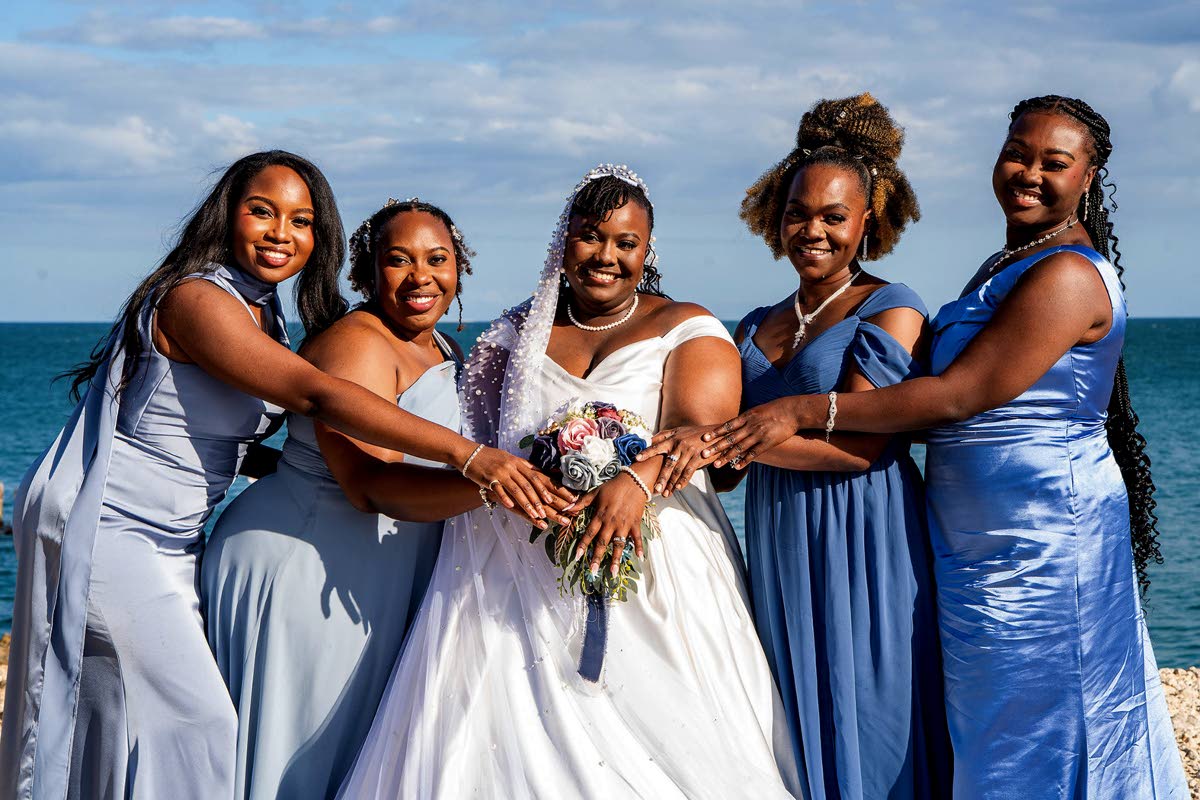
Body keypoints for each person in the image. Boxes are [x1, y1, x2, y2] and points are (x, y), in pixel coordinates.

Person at [0, 152, 569, 800]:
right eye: (262, 212)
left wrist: (285, 466)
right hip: (112, 530)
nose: (281, 232)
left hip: (176, 541)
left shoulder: (262, 314)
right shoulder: (196, 299)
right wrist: (472, 458)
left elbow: (211, 439)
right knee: (199, 722)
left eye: (301, 221)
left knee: (123, 720)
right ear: (227, 214)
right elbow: (318, 395)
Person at [686, 96, 1189, 797]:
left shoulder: (1067, 274)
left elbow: (960, 394)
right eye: (1018, 152)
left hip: (1044, 532)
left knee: (1047, 721)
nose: (1029, 173)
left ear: (1090, 174)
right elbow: (923, 412)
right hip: (970, 535)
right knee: (985, 723)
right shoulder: (1006, 264)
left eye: (1055, 162)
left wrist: (797, 411)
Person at [337, 165, 798, 799]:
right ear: (564, 241)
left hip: (655, 560)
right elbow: (486, 446)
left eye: (625, 243)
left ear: (646, 251)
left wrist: (635, 481)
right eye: (590, 237)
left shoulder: (686, 326)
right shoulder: (510, 335)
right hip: (520, 561)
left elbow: (698, 434)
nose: (606, 256)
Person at [202, 199, 523, 799]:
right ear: (367, 273)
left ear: (460, 269)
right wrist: (497, 486)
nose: (420, 276)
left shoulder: (443, 351)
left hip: (374, 574)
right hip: (308, 566)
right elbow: (369, 486)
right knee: (298, 760)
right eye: (398, 260)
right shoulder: (360, 345)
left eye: (437, 259)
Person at [708, 93, 949, 797]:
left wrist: (734, 440)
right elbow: (725, 467)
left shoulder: (891, 306)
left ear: (868, 221)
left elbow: (865, 450)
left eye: (833, 216)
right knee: (792, 701)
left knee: (874, 707)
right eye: (797, 213)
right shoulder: (752, 325)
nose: (812, 229)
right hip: (781, 536)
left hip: (868, 534)